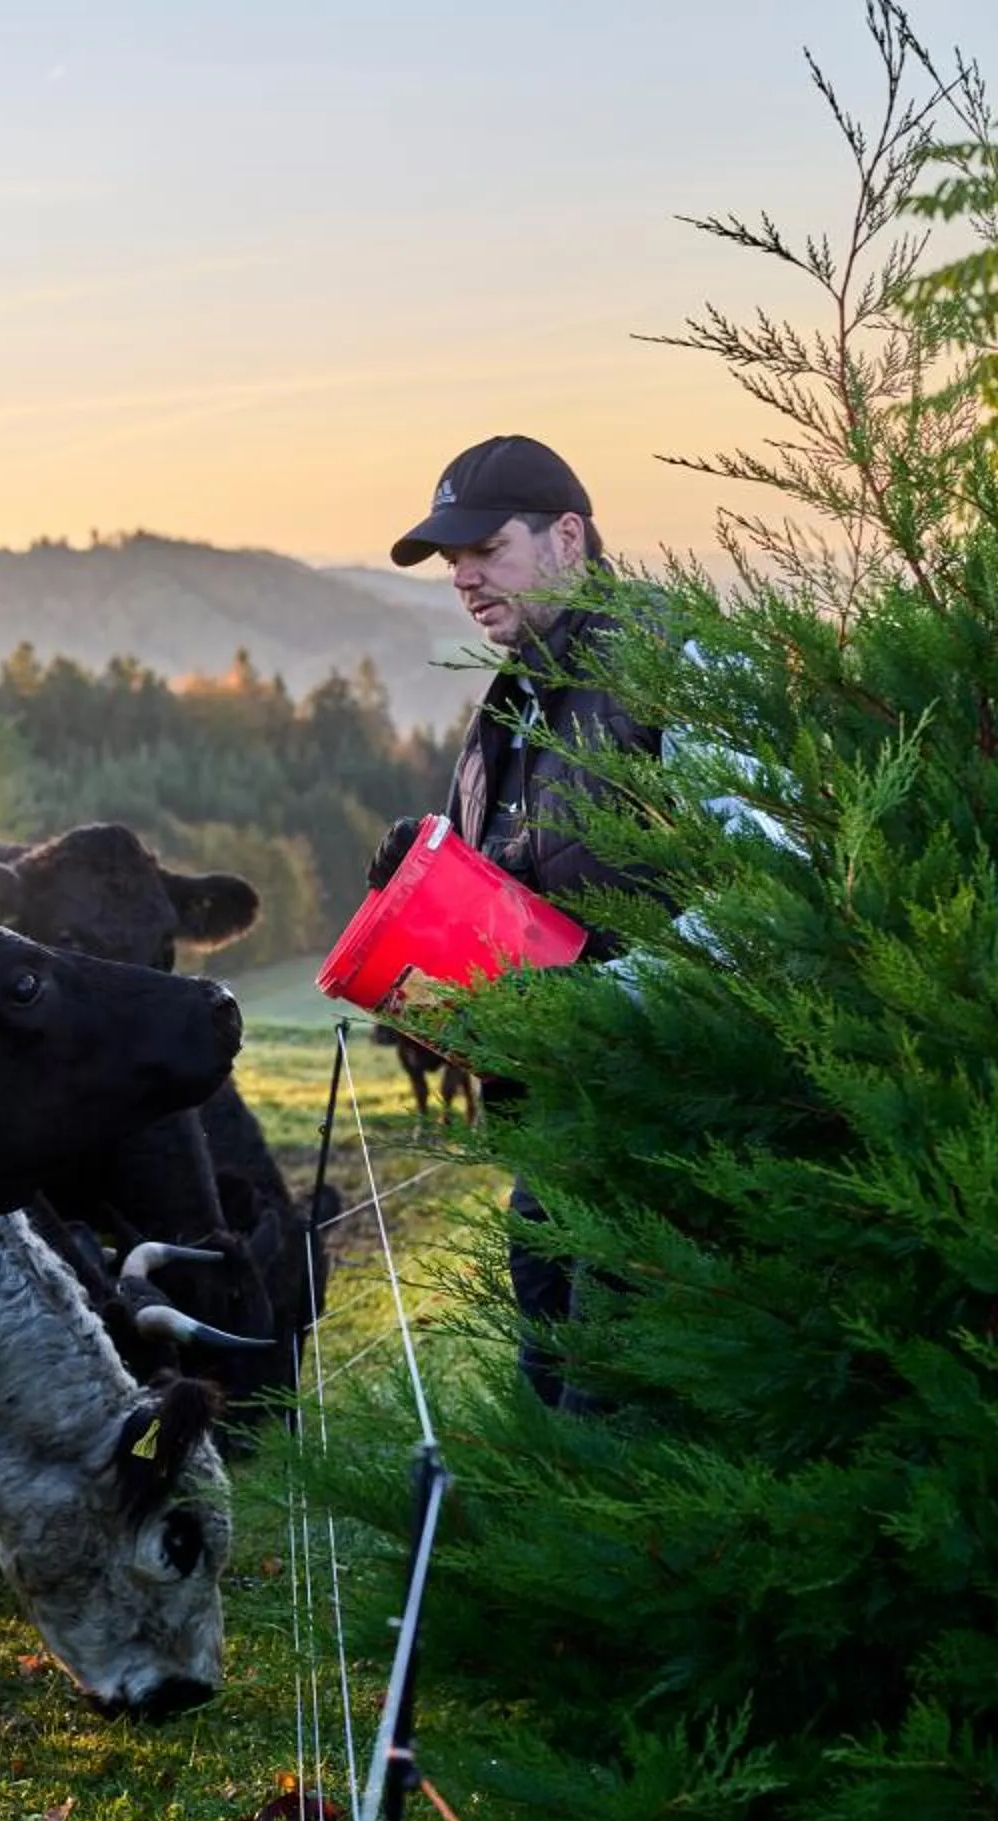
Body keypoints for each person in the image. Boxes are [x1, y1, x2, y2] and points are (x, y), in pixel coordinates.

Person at [367, 435, 663, 1412]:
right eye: (451, 560)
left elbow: (769, 897)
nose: (462, 577)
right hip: (552, 1134)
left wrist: (596, 1000)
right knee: (548, 1394)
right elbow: (515, 916)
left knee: (611, 1422)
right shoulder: (511, 706)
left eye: (483, 548)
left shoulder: (672, 666)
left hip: (664, 1134)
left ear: (567, 536)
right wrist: (427, 878)